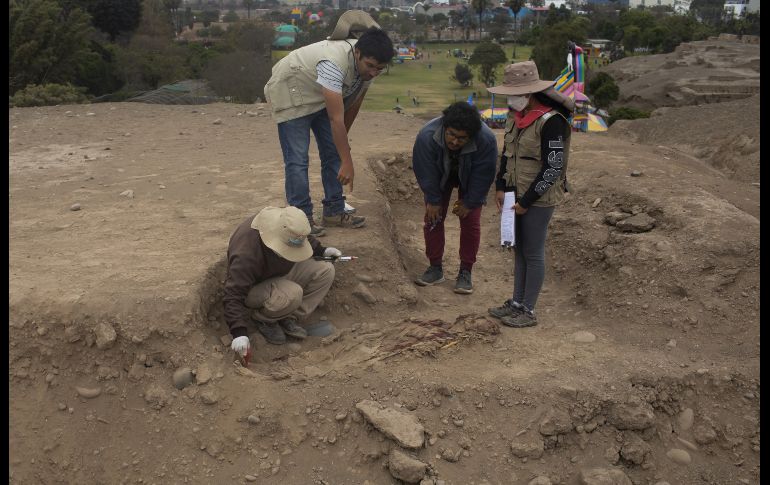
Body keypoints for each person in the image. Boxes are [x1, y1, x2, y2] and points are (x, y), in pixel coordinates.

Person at [263, 11, 394, 237]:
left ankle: (334, 210)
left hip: (318, 94)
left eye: (379, 69)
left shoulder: (370, 64)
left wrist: (342, 148)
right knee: (297, 160)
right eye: (370, 66)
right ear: (357, 53)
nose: (373, 73)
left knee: (333, 151)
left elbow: (353, 104)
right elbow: (335, 118)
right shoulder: (333, 62)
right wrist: (347, 159)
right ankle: (301, 219)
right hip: (291, 90)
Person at [486, 61, 575, 328]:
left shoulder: (552, 123)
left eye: (514, 94)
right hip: (515, 193)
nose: (510, 100)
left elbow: (553, 167)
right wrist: (501, 187)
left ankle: (528, 310)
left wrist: (526, 202)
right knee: (519, 251)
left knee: (533, 252)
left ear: (529, 93)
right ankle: (516, 302)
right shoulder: (515, 117)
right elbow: (506, 154)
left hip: (539, 198)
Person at [223, 206, 342, 358]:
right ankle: (264, 320)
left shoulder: (285, 224)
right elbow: (233, 294)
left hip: (279, 274)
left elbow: (300, 239)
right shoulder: (247, 253)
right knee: (293, 293)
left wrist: (323, 251)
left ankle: (288, 317)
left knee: (325, 270)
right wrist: (239, 332)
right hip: (254, 289)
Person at [412, 102, 498, 294]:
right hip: (439, 175)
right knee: (432, 218)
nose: (454, 142)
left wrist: (470, 202)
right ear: (444, 127)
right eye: (451, 134)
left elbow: (484, 174)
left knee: (471, 221)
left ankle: (465, 271)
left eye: (462, 138)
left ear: (472, 135)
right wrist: (433, 200)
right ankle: (435, 267)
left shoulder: (486, 140)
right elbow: (424, 170)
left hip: (471, 177)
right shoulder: (427, 136)